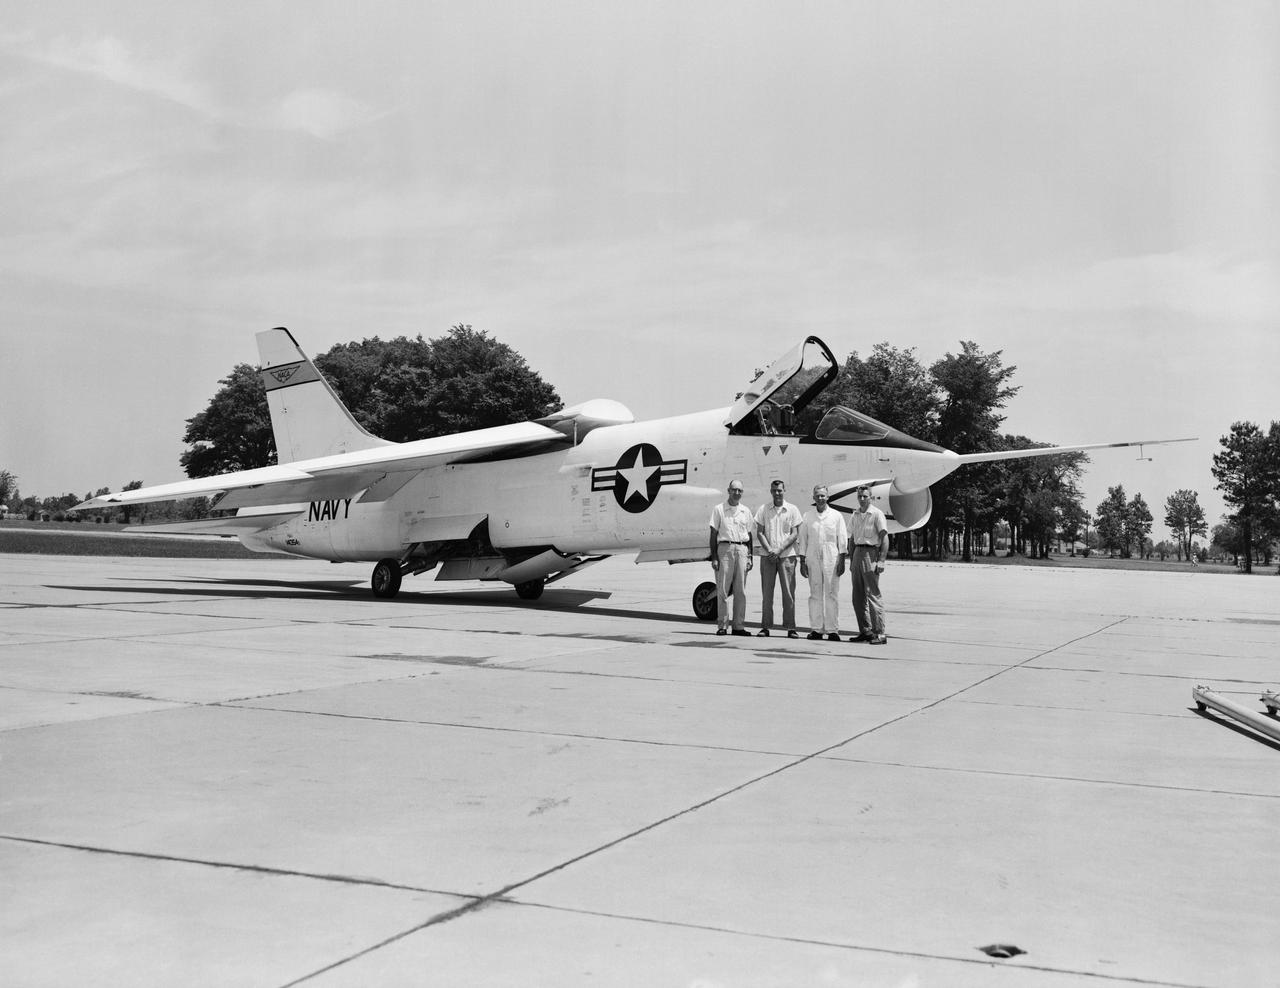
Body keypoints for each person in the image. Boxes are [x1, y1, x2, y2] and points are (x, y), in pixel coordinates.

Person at [754, 479, 803, 638]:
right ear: (771, 491)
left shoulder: (792, 509)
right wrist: (770, 550)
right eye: (774, 490)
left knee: (788, 593)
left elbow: (795, 533)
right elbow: (760, 532)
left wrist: (780, 549)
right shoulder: (763, 509)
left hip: (787, 556)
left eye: (779, 490)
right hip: (768, 557)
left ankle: (790, 627)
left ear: (784, 490)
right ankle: (765, 627)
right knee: (767, 593)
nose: (777, 493)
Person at [797, 485, 847, 641]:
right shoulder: (807, 516)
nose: (820, 498)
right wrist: (802, 560)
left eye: (823, 496)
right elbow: (803, 540)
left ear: (828, 497)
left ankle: (833, 630)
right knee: (815, 593)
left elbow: (842, 538)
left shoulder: (836, 516)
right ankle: (817, 629)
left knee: (831, 594)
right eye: (817, 495)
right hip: (812, 555)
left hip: (831, 555)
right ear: (813, 498)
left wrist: (842, 560)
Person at [708, 480, 754, 636]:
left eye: (740, 490)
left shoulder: (745, 511)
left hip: (742, 549)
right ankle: (722, 625)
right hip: (725, 549)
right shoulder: (719, 509)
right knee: (723, 589)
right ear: (728, 490)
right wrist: (714, 557)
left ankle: (738, 626)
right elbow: (713, 534)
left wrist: (750, 557)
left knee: (740, 590)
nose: (737, 493)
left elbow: (750, 535)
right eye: (734, 490)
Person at [848, 485, 889, 645]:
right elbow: (851, 539)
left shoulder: (877, 514)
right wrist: (851, 560)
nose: (862, 499)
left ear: (871, 497)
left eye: (865, 496)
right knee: (857, 597)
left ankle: (880, 633)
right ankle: (866, 631)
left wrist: (881, 560)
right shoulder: (855, 514)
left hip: (871, 553)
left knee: (873, 594)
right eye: (860, 496)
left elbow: (884, 538)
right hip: (857, 553)